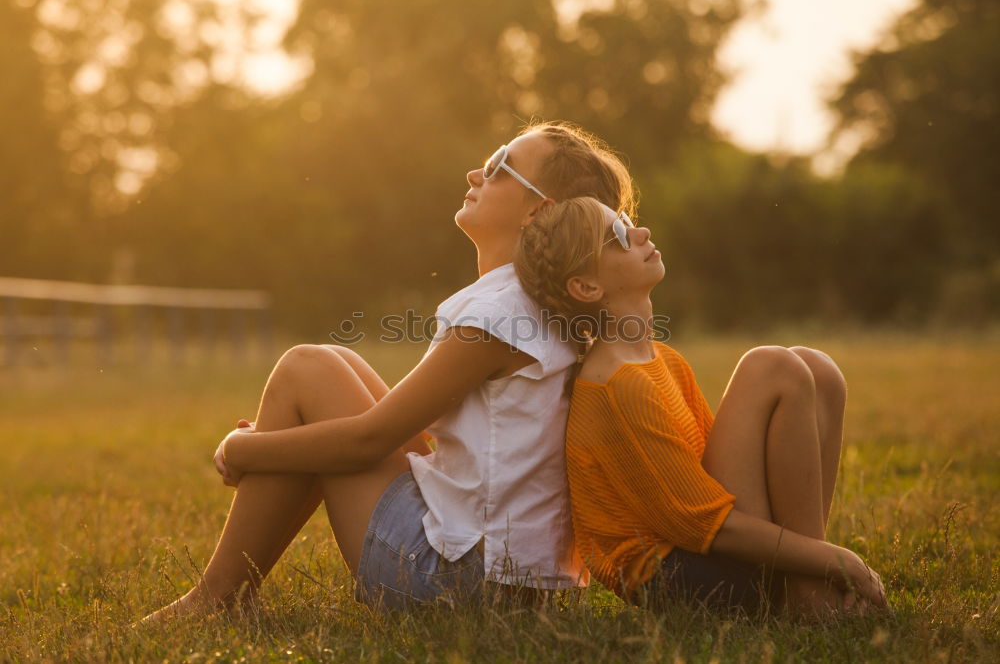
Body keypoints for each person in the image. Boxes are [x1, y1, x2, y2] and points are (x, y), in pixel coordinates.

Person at [142, 123, 637, 619]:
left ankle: (215, 598)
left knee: (306, 368)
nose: (474, 173)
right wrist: (295, 441)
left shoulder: (501, 314)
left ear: (538, 210)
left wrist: (244, 449)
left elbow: (367, 441)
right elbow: (408, 423)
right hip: (510, 582)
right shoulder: (538, 307)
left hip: (456, 582)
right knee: (339, 364)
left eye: (497, 167)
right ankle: (227, 594)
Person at [513, 197, 888, 616]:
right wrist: (840, 560)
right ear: (586, 287)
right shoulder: (615, 385)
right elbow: (702, 525)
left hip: (711, 548)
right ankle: (810, 591)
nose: (641, 233)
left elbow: (730, 477)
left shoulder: (663, 361)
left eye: (627, 221)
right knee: (771, 366)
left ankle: (805, 586)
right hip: (681, 573)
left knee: (819, 369)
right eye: (617, 236)